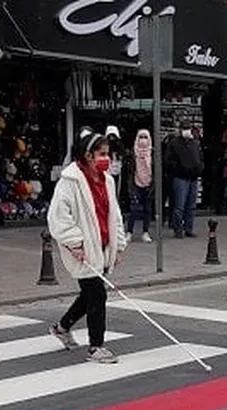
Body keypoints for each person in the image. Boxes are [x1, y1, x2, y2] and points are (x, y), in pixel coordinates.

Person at [48, 128, 129, 364]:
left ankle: (62, 327)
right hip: (83, 248)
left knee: (89, 294)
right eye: (102, 154)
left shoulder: (108, 181)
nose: (106, 159)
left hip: (102, 245)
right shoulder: (70, 181)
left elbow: (115, 215)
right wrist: (74, 242)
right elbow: (58, 216)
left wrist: (118, 245)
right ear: (88, 155)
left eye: (108, 154)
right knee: (97, 294)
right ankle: (96, 346)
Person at [165, 122, 203, 238]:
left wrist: (199, 168)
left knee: (191, 205)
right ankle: (178, 229)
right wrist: (178, 169)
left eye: (188, 128)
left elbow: (199, 157)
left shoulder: (194, 143)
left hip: (193, 177)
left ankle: (188, 228)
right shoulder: (174, 143)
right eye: (184, 128)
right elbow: (168, 160)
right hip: (180, 177)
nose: (186, 131)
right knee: (179, 205)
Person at [126, 128, 154, 242]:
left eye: (145, 137)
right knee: (134, 209)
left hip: (149, 185)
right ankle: (129, 232)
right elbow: (130, 171)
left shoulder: (152, 154)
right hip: (136, 184)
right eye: (141, 137)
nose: (143, 140)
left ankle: (145, 232)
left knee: (147, 210)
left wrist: (153, 185)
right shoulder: (133, 155)